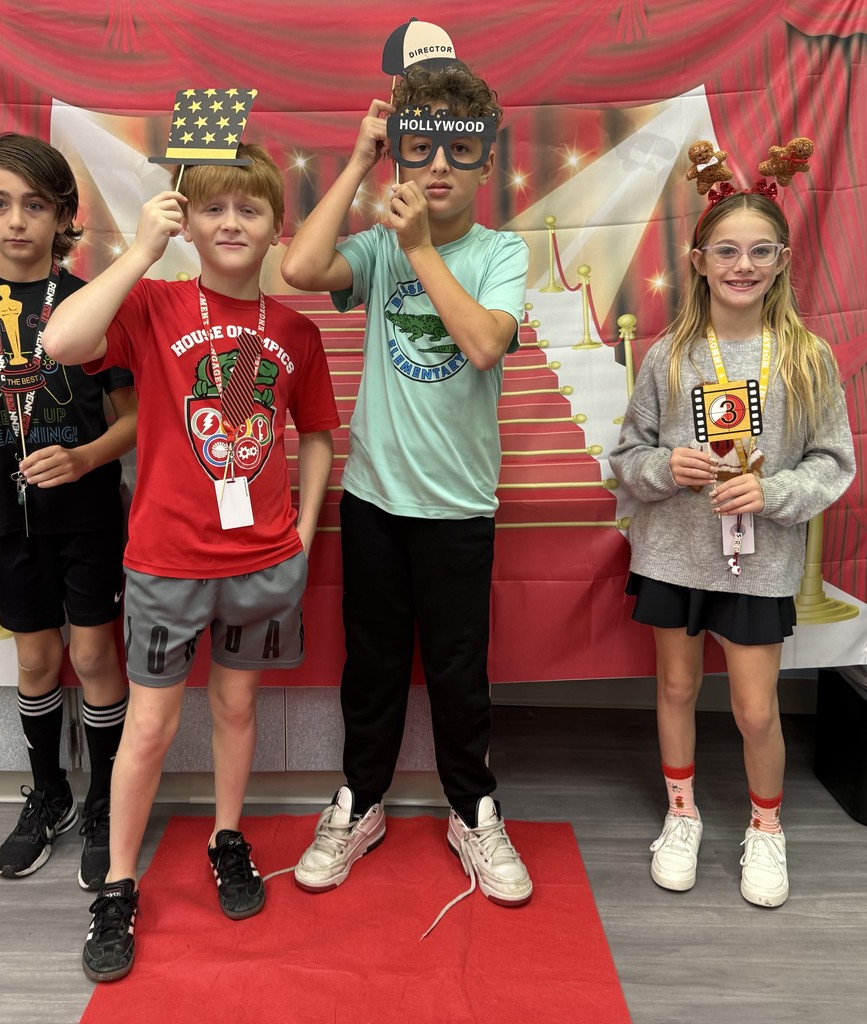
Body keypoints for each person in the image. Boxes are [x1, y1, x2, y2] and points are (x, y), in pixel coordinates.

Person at [42, 143, 338, 981]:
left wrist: (305, 532)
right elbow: (64, 340)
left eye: (249, 208)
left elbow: (316, 437)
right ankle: (120, 884)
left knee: (237, 709)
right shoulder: (156, 303)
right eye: (213, 208)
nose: (232, 222)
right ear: (189, 222)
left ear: (278, 228)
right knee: (152, 726)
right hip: (168, 560)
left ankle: (227, 835)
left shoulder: (295, 331)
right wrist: (139, 248)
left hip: (262, 560)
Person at [280, 62, 532, 913]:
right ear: (399, 157)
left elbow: (486, 344)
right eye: (417, 151)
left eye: (457, 155)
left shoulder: (501, 251)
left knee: (460, 673)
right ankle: (361, 803)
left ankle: (474, 809)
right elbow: (299, 271)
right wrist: (355, 161)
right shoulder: (380, 245)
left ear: (484, 163)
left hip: (460, 506)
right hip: (374, 500)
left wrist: (422, 245)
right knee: (374, 668)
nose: (437, 170)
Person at [610, 183, 855, 908]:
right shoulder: (668, 356)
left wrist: (773, 492)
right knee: (677, 689)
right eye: (727, 250)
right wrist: (664, 467)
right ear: (699, 261)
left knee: (754, 710)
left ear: (781, 261)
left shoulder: (806, 359)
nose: (742, 265)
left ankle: (767, 825)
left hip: (760, 561)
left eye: (759, 251)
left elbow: (833, 461)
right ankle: (681, 815)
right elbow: (628, 454)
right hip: (673, 554)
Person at [0, 133, 136, 891]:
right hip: (7, 525)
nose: (17, 220)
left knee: (92, 657)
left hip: (88, 521)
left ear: (62, 214)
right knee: (34, 659)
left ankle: (105, 800)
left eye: (35, 204)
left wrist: (85, 458)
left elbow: (137, 418)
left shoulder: (93, 304)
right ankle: (49, 794)